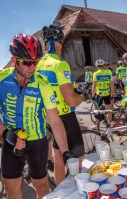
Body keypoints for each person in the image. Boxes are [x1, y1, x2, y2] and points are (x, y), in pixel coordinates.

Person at [0, 33, 71, 199]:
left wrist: (66, 152)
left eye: (35, 62)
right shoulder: (0, 79)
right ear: (15, 60)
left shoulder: (42, 83)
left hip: (37, 142)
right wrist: (4, 132)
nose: (32, 67)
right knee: (12, 190)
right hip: (12, 142)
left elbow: (54, 121)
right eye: (27, 62)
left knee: (42, 187)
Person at [38, 24, 85, 185]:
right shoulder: (60, 64)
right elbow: (71, 100)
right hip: (65, 116)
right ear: (60, 42)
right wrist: (83, 97)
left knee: (58, 155)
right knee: (78, 159)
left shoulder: (38, 65)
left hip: (48, 117)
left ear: (45, 43)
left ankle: (61, 192)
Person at [91, 59, 114, 127]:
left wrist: (92, 96)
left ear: (97, 66)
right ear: (103, 65)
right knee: (109, 110)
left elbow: (94, 86)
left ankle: (97, 124)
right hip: (107, 94)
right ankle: (109, 125)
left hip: (99, 95)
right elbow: (112, 84)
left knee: (96, 109)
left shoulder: (96, 73)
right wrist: (113, 93)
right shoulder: (109, 72)